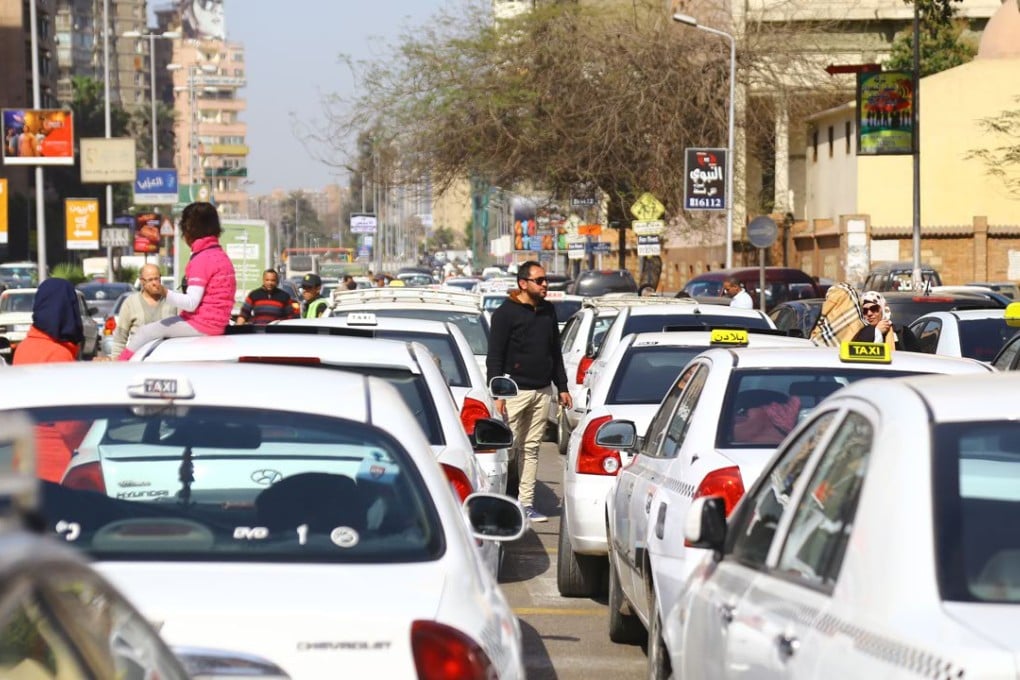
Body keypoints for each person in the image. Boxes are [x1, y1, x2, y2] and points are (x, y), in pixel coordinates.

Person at [486, 260, 572, 523]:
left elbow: (555, 352)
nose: (545, 285)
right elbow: (495, 357)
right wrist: (497, 393)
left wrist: (562, 387)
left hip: (542, 390)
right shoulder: (505, 314)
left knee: (531, 448)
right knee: (508, 449)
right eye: (540, 280)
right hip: (513, 393)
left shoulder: (548, 311)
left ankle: (525, 504)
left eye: (546, 280)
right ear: (523, 283)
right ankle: (502, 502)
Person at [117, 202, 235, 360]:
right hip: (218, 325)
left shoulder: (202, 259)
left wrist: (164, 292)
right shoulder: (221, 256)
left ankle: (121, 365)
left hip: (202, 325)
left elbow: (191, 303)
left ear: (189, 230)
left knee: (145, 332)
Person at [13, 278, 90, 482]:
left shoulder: (24, 347)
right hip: (56, 464)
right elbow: (69, 424)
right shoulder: (58, 355)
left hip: (24, 457)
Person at [110, 264, 176, 358]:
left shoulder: (173, 300)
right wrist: (116, 360)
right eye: (150, 280)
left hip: (167, 358)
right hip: (138, 359)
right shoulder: (131, 303)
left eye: (156, 279)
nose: (154, 283)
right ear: (142, 281)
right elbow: (120, 337)